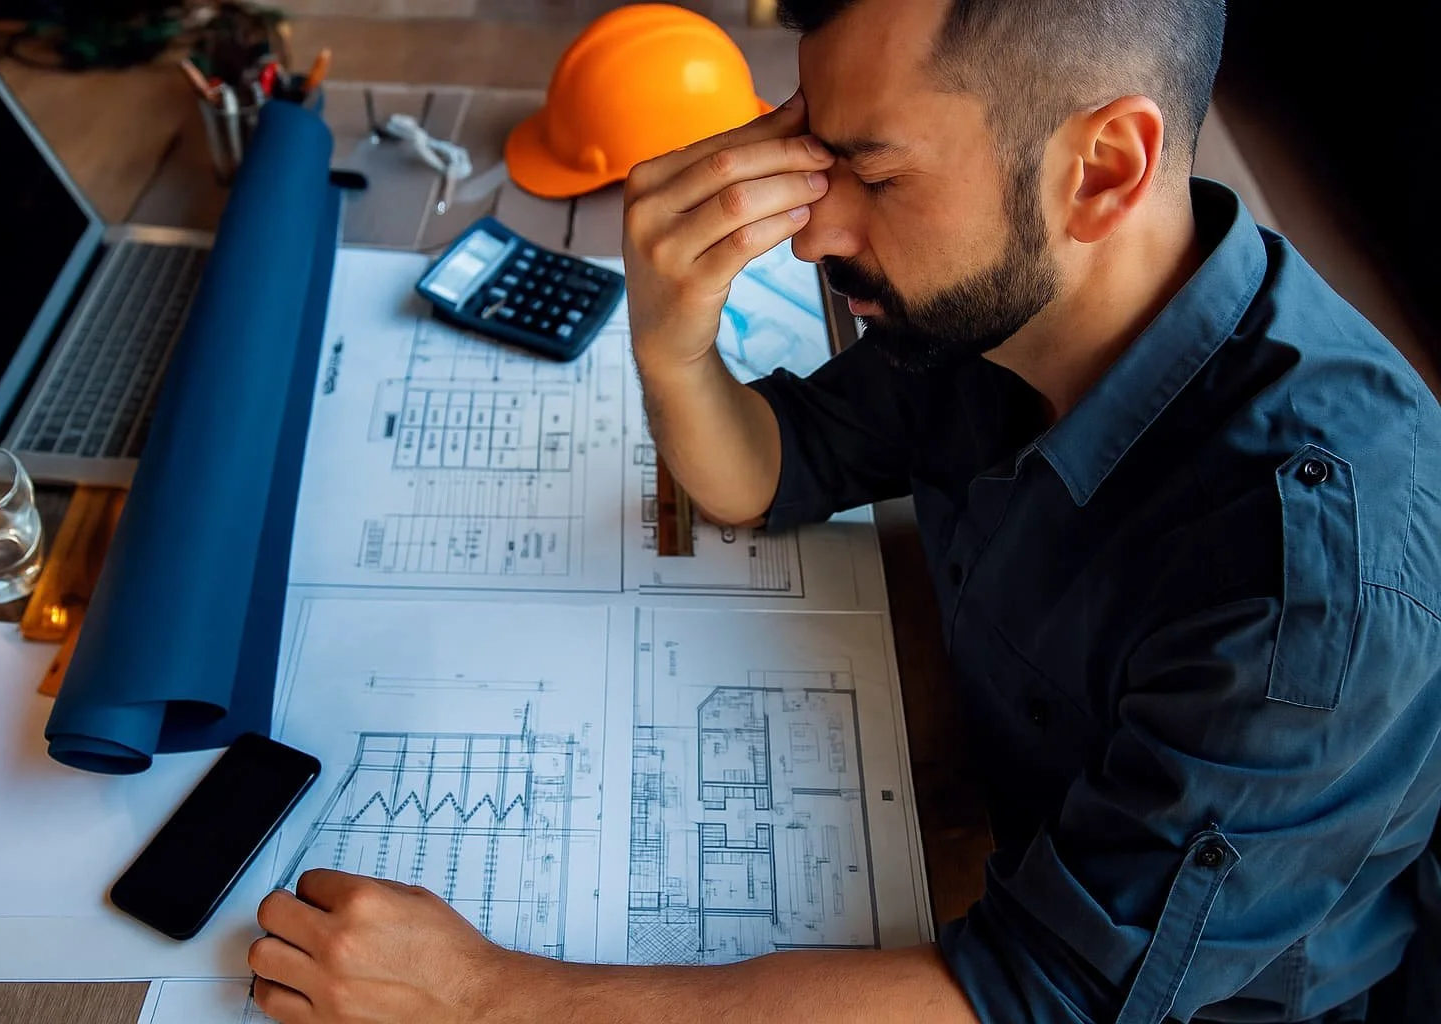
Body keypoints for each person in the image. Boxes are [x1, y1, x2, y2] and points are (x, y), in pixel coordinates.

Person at [245, 0, 1441, 1020]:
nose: (814, 229)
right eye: (810, 150)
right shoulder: (1002, 299)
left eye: (868, 173)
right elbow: (772, 468)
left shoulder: (1308, 583)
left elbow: (1031, 998)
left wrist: (488, 994)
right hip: (987, 816)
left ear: (1107, 168)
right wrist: (669, 337)